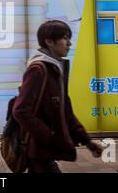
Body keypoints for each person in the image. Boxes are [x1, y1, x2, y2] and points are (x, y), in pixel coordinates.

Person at [12, 20, 103, 173]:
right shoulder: (39, 69)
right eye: (65, 38)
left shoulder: (55, 68)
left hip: (43, 151)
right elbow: (20, 111)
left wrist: (86, 141)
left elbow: (65, 111)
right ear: (49, 42)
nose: (69, 44)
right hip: (39, 150)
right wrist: (50, 137)